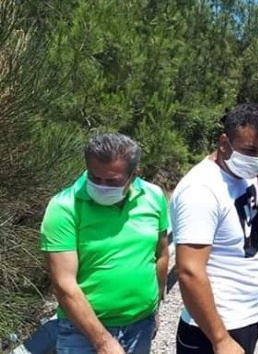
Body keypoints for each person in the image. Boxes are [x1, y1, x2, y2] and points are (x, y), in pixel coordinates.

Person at [40, 133, 169, 354]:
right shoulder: (64, 207)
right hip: (83, 332)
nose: (102, 186)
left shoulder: (154, 197)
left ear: (133, 175)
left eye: (112, 181)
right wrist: (102, 341)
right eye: (95, 178)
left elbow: (161, 253)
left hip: (140, 325)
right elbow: (63, 284)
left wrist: (155, 308)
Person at [171, 103, 258, 354]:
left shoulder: (248, 173)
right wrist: (220, 339)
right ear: (224, 143)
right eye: (250, 150)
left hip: (245, 318)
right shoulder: (200, 190)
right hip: (211, 330)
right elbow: (189, 271)